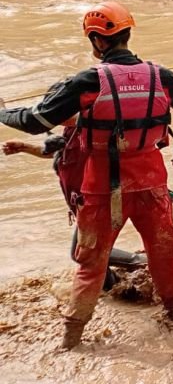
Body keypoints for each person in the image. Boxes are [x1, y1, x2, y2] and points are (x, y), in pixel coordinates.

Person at [0, 2, 173, 349]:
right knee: (163, 255)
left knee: (90, 264)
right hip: (152, 183)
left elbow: (35, 122)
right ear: (127, 34)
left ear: (96, 40)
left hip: (103, 187)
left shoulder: (87, 81)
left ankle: (71, 341)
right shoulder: (159, 75)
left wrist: (3, 112)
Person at [2, 122, 147, 291]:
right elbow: (63, 152)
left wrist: (5, 114)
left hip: (97, 202)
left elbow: (32, 119)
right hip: (86, 204)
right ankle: (128, 277)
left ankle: (127, 283)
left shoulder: (90, 125)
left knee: (84, 253)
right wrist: (24, 147)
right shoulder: (74, 128)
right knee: (89, 251)